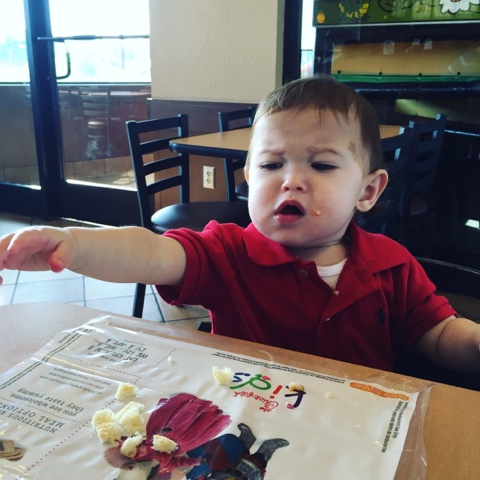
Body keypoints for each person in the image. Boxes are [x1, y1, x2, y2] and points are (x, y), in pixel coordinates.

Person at [1, 75, 479, 374]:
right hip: (243, 429)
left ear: (368, 191)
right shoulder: (226, 253)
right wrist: (75, 244)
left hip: (358, 436)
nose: (292, 181)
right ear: (249, 178)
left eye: (322, 165)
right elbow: (151, 252)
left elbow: (439, 335)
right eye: (271, 165)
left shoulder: (392, 265)